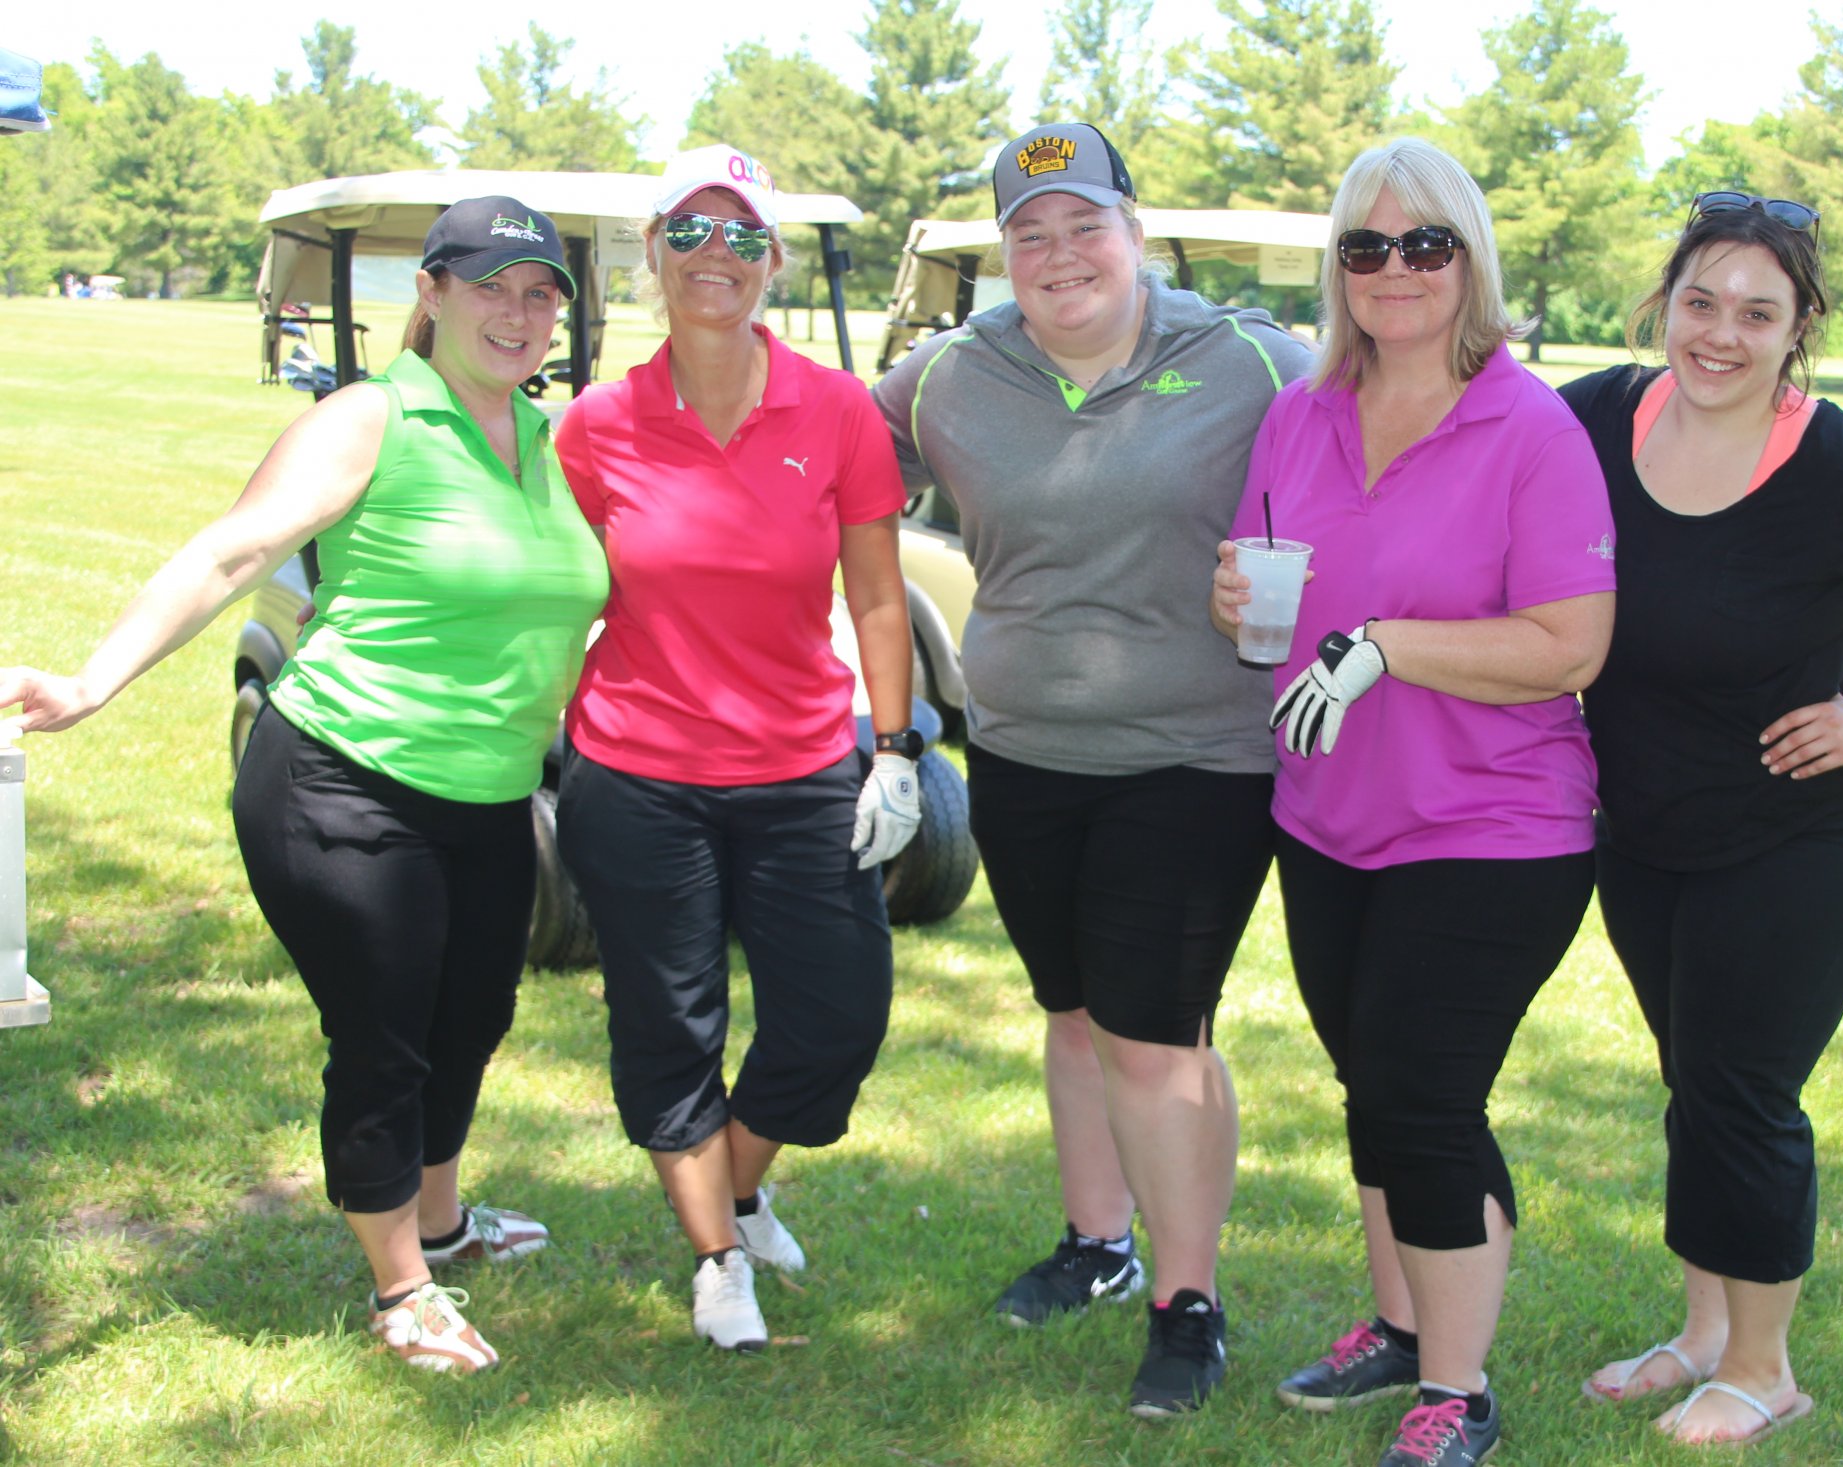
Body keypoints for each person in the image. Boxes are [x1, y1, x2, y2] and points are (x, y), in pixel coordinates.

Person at [0, 198, 607, 1373]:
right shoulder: (371, 417)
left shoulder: (544, 439)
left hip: (486, 797)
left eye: (540, 294)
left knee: (472, 1018)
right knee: (387, 1034)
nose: (518, 314)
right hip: (341, 781)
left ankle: (442, 1221)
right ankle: (401, 1290)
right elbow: (231, 551)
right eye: (490, 286)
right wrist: (90, 681)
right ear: (430, 293)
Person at [1558, 192, 1843, 1445]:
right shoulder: (1593, 417)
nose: (1720, 334)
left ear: (1799, 327)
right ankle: (1705, 1334)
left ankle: (1764, 1370)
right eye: (1700, 302)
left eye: (1757, 314)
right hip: (1647, 822)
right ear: (1663, 301)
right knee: (1692, 1080)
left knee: (1740, 1086)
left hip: (1807, 831)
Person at [873, 122, 1312, 1418]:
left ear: (1134, 228)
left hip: (1195, 755)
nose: (1060, 253)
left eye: (1084, 224)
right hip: (1020, 751)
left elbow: (1378, 460)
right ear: (1004, 253)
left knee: (1155, 1035)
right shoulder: (950, 374)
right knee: (1071, 1011)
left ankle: (1189, 1301)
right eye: (1030, 233)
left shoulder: (1248, 360)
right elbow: (835, 465)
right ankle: (1098, 1242)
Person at [1209, 137, 1616, 1467]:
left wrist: (1386, 644)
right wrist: (1239, 600)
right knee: (1372, 1085)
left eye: (1425, 243)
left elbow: (1570, 644)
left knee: (1421, 1092)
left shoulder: (1530, 428)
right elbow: (1269, 586)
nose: (1396, 269)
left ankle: (1458, 1388)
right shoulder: (1300, 412)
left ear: (1469, 259)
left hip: (1494, 823)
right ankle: (1396, 1327)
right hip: (1329, 817)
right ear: (1338, 268)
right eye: (1366, 246)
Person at [549, 144, 916, 1355]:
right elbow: (554, 589)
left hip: (802, 766)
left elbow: (876, 595)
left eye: (745, 235)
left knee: (838, 1016)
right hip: (636, 774)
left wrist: (896, 749)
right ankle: (716, 1255)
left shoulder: (836, 408)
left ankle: (737, 1184)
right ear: (652, 252)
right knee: (670, 1024)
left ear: (773, 262)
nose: (719, 256)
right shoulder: (597, 426)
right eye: (693, 232)